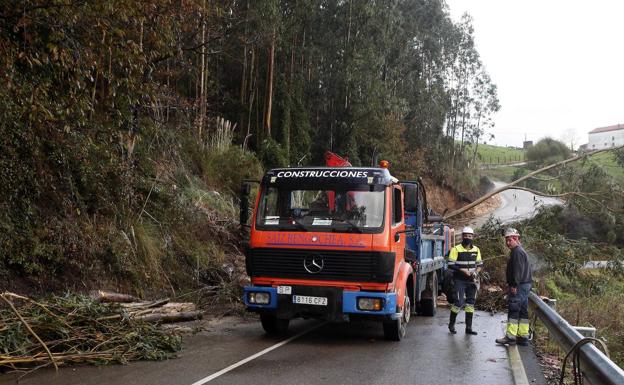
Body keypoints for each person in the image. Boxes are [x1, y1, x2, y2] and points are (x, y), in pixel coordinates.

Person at [496, 228, 533, 346]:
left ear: (516, 239)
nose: (507, 243)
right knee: (523, 311)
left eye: (510, 240)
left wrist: (513, 285)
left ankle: (510, 337)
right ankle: (523, 336)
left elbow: (517, 270)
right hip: (525, 285)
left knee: (514, 308)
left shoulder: (517, 252)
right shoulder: (520, 251)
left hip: (519, 285)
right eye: (506, 240)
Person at [447, 226, 483, 335]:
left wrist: (476, 272)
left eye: (470, 236)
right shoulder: (456, 249)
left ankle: (469, 328)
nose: (468, 237)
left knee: (470, 304)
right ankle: (451, 324)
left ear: (473, 237)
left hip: (472, 280)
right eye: (466, 236)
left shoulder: (476, 250)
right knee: (458, 302)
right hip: (459, 280)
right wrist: (463, 271)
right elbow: (450, 264)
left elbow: (480, 264)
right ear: (462, 236)